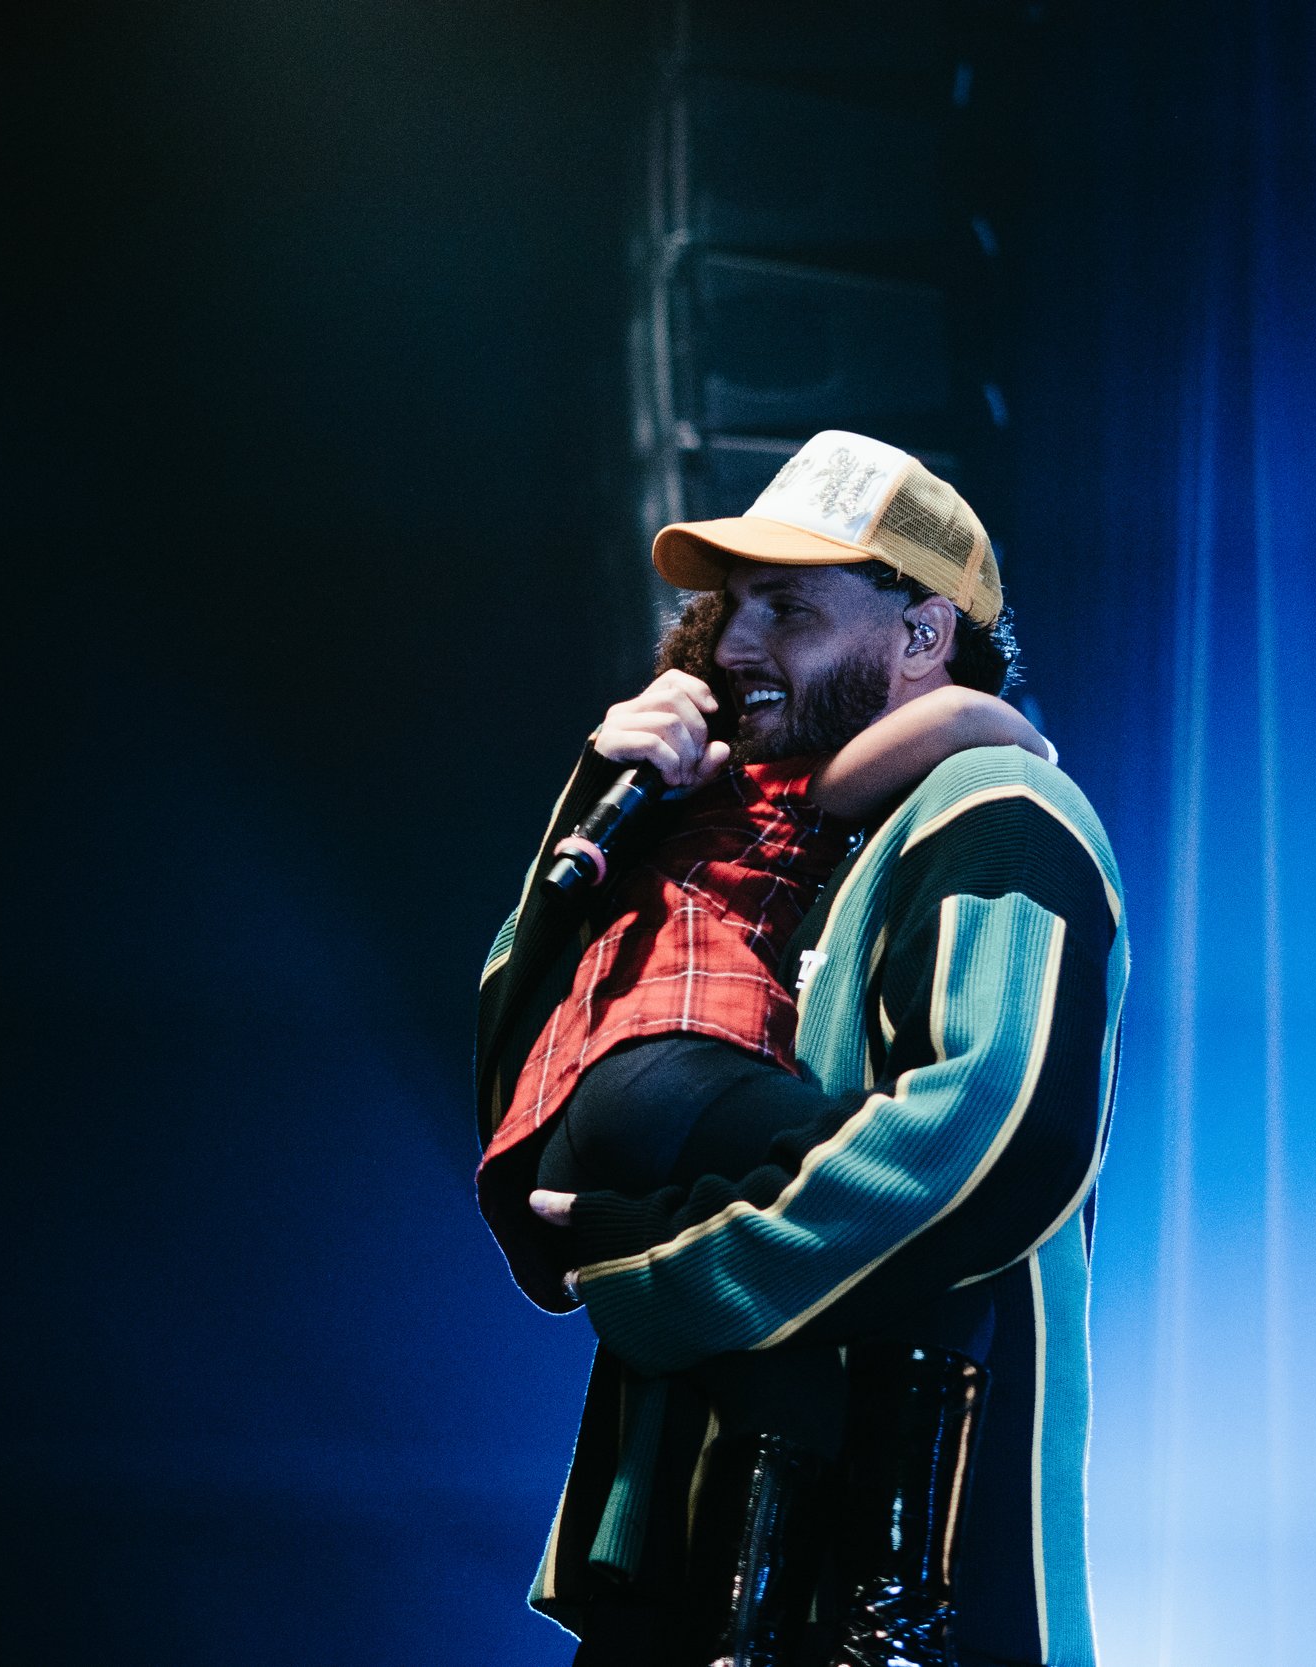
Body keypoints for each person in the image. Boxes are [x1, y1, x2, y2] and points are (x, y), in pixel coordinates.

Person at [474, 431, 1130, 1667]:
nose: (730, 646)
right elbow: (530, 1090)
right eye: (730, 608)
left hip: (896, 1589)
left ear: (921, 632)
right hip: (694, 1554)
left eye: (786, 609)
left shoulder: (996, 809)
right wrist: (598, 803)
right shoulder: (769, 843)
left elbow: (990, 1137)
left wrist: (658, 1254)